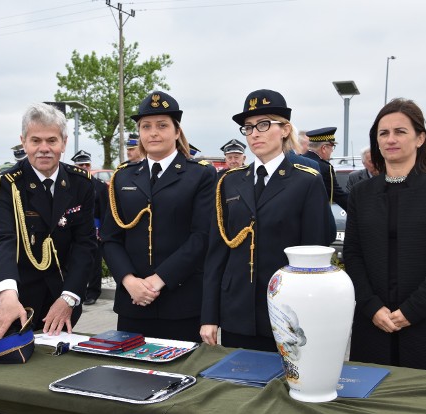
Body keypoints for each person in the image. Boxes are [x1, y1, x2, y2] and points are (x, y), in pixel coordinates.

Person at [200, 89, 331, 352]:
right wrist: (209, 316)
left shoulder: (306, 180)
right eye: (248, 128)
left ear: (284, 130)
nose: (254, 134)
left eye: (263, 125)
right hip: (236, 309)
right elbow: (217, 252)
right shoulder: (230, 181)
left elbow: (315, 250)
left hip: (287, 311)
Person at [344, 98, 426, 374]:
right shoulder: (362, 193)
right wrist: (372, 307)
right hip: (373, 323)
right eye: (383, 133)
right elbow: (352, 254)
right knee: (371, 407)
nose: (390, 139)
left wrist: (411, 311)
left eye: (400, 131)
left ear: (420, 138)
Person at [101, 90, 216, 342]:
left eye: (162, 125)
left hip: (182, 302)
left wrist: (158, 280)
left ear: (177, 132)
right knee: (127, 377)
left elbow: (202, 237)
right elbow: (110, 237)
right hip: (133, 303)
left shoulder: (200, 175)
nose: (153, 132)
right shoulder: (123, 176)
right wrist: (129, 280)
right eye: (146, 126)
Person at [0, 103, 96, 340]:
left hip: (61, 296)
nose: (44, 149)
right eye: (35, 141)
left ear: (63, 142)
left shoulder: (80, 183)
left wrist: (69, 297)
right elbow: (2, 240)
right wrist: (8, 296)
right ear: (24, 142)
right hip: (15, 295)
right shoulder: (7, 184)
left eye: (51, 141)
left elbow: (85, 244)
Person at [71, 149, 108, 305]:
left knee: (94, 262)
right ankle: (76, 291)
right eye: (80, 165)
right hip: (73, 227)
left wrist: (103, 231)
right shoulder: (70, 184)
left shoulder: (99, 186)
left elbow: (105, 210)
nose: (83, 167)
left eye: (86, 165)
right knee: (74, 261)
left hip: (94, 228)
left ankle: (93, 292)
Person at [304, 127, 349, 211]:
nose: (332, 151)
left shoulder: (296, 161)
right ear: (324, 148)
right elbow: (338, 195)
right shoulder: (324, 168)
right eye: (332, 147)